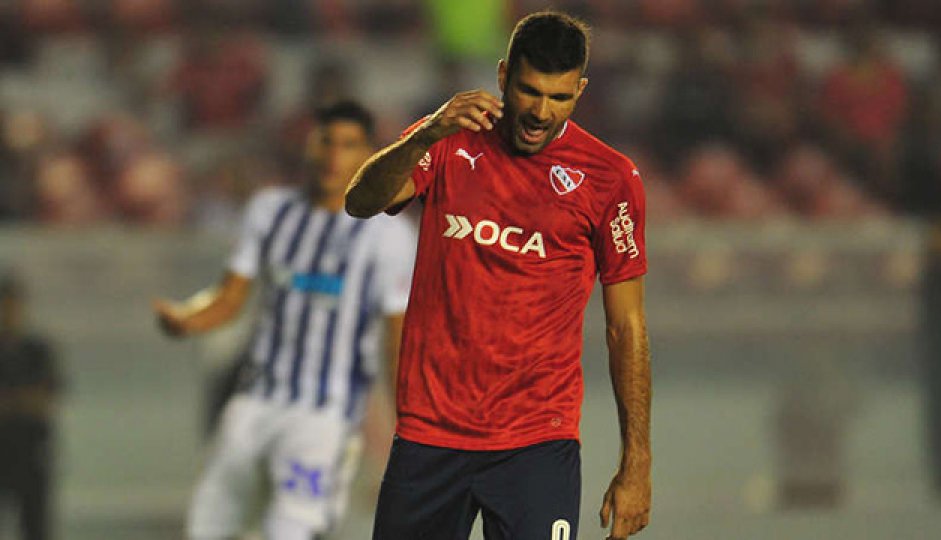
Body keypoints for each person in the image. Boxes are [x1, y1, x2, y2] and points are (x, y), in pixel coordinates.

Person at [346, 11, 651, 540]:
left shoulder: (609, 180)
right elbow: (360, 201)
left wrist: (637, 464)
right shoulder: (449, 139)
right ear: (504, 73)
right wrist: (428, 133)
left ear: (580, 90)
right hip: (430, 434)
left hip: (536, 443)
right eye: (530, 91)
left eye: (560, 97)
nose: (540, 111)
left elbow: (627, 327)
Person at [153, 101, 417, 540]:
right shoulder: (270, 211)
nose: (335, 156)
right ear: (309, 146)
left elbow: (395, 341)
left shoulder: (387, 234)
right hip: (253, 402)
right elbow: (228, 298)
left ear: (368, 153)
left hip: (325, 419)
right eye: (326, 142)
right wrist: (185, 319)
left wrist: (401, 437)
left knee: (290, 530)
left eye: (349, 145)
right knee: (209, 527)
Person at [0, 271, 61, 540]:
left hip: (30, 453)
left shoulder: (38, 349)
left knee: (35, 528)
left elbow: (46, 399)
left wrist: (13, 402)